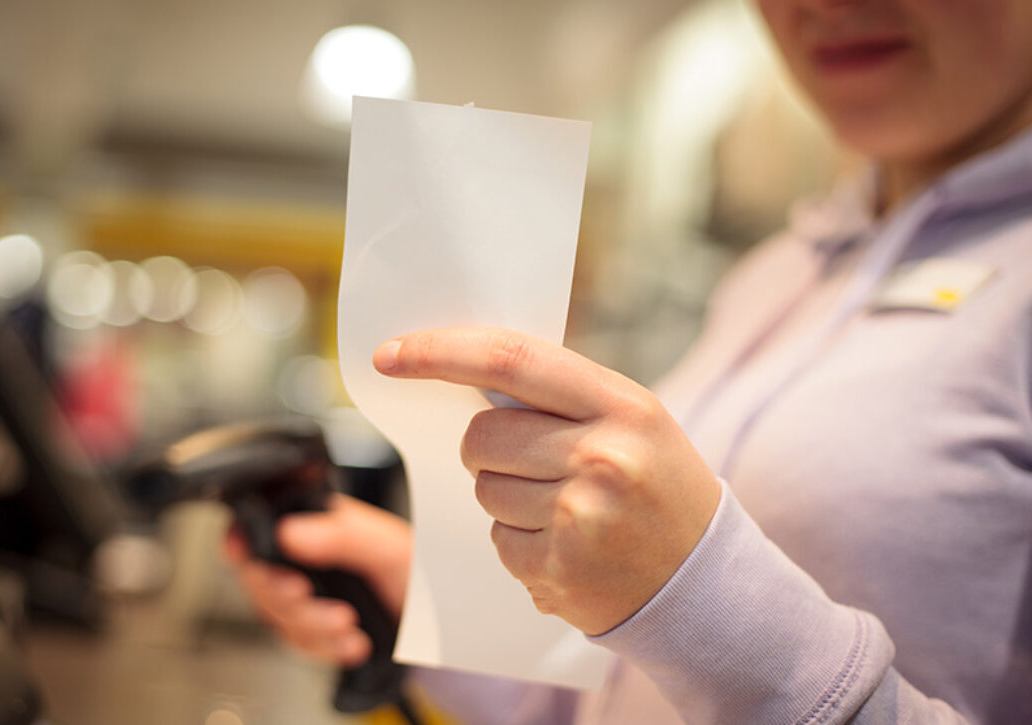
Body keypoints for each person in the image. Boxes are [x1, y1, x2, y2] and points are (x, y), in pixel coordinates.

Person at [226, 0, 1032, 722]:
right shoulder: (778, 273)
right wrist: (425, 600)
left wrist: (695, 592)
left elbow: (694, 622)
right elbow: (632, 692)